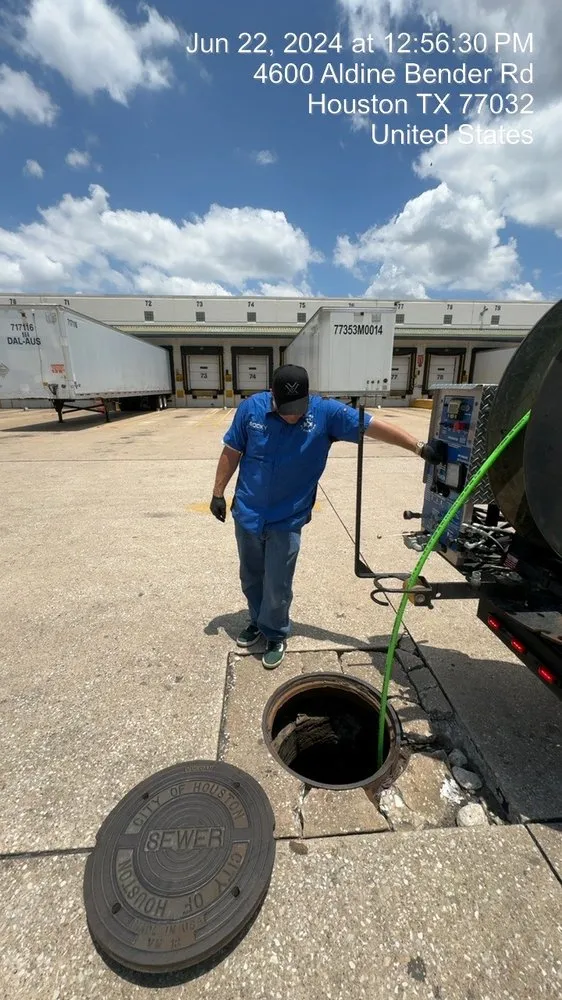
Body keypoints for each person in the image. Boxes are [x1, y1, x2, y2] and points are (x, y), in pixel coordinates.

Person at [210, 364, 441, 669]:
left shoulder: (325, 413)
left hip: (287, 518)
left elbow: (371, 425)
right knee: (251, 576)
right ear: (272, 397)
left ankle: (275, 632)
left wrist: (418, 447)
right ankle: (257, 621)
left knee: (278, 583)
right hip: (248, 513)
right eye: (285, 409)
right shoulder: (250, 410)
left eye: (299, 408)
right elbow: (232, 451)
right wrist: (217, 492)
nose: (293, 415)